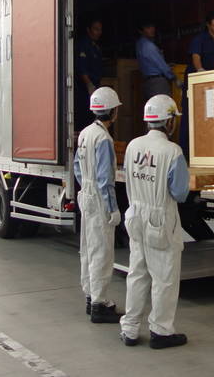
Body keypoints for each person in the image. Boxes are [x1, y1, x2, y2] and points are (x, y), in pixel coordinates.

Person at [120, 95, 190, 349]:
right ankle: (161, 331)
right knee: (164, 278)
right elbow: (180, 193)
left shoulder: (133, 146)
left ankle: (129, 328)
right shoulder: (172, 152)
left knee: (137, 273)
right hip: (160, 219)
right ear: (169, 121)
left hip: (136, 216)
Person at [73, 87, 123, 323]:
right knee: (102, 251)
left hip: (86, 195)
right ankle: (100, 305)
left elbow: (76, 167)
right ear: (112, 112)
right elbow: (105, 179)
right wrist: (112, 208)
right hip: (99, 199)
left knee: (88, 249)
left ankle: (90, 295)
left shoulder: (84, 133)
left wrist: (87, 187)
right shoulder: (103, 138)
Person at [179, 10, 214, 158]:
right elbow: (196, 57)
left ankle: (207, 150)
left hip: (213, 87)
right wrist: (201, 71)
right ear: (208, 23)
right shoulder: (200, 39)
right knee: (190, 116)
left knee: (211, 116)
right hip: (196, 84)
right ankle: (185, 153)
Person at [135, 21, 178, 101]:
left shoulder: (139, 44)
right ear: (141, 31)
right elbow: (161, 65)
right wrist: (174, 78)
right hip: (157, 83)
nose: (152, 29)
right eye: (148, 28)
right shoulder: (148, 46)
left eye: (152, 27)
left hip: (148, 82)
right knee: (166, 108)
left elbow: (151, 63)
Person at [75, 18, 103, 130]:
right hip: (84, 88)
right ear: (88, 30)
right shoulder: (84, 45)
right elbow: (82, 68)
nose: (99, 32)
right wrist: (89, 85)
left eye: (100, 30)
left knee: (93, 117)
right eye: (96, 29)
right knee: (85, 117)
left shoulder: (95, 46)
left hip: (95, 86)